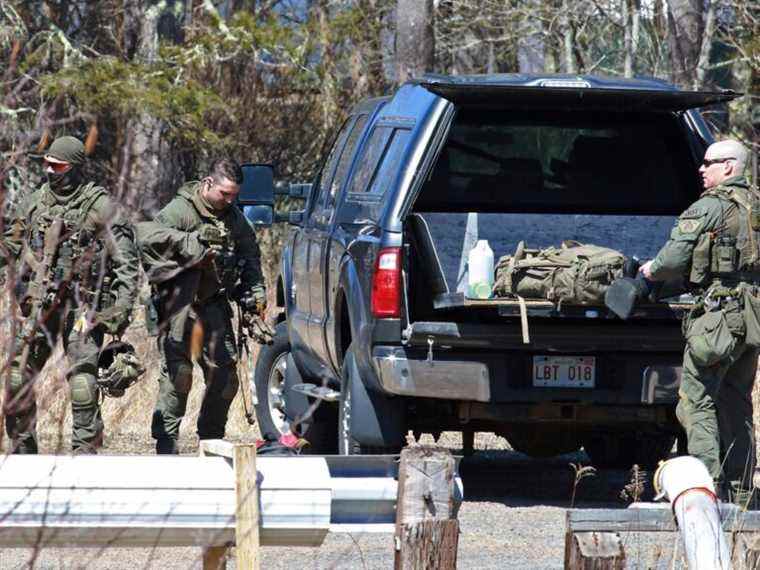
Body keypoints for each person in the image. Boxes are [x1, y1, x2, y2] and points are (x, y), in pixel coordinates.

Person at [1, 135, 139, 454]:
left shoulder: (100, 206)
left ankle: (84, 454)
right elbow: (11, 244)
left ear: (75, 169)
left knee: (82, 381)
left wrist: (120, 309)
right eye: (47, 164)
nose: (50, 171)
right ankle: (23, 453)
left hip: (83, 307)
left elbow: (127, 261)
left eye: (58, 166)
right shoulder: (36, 201)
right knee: (18, 377)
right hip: (41, 305)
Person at [640, 139, 759, 505]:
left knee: (695, 400)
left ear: (729, 168)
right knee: (736, 405)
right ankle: (742, 495)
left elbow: (673, 259)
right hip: (752, 315)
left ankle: (706, 490)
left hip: (719, 317)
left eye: (710, 162)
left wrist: (650, 270)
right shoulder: (756, 204)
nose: (701, 168)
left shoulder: (709, 207)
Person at [137, 158, 267, 454]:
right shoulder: (179, 211)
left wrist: (256, 296)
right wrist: (192, 244)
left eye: (234, 195)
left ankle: (211, 439)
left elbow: (251, 260)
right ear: (208, 184)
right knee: (178, 375)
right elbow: (148, 242)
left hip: (214, 306)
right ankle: (166, 443)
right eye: (224, 194)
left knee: (225, 376)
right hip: (179, 306)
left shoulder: (235, 219)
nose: (229, 200)